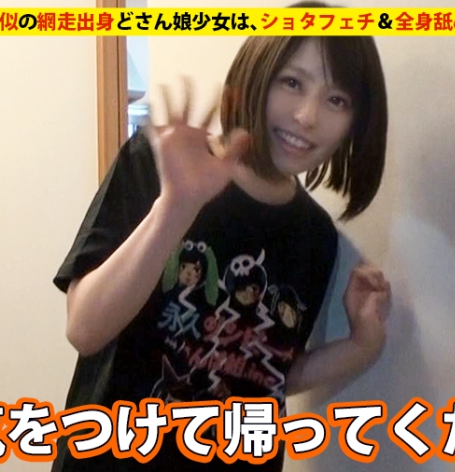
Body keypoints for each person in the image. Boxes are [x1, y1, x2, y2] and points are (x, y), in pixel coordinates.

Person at [51, 4, 392, 470]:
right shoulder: (157, 162)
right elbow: (85, 329)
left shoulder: (315, 237)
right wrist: (176, 206)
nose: (307, 116)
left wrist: (362, 346)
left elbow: (268, 369)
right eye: (292, 83)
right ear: (257, 74)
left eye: (337, 100)